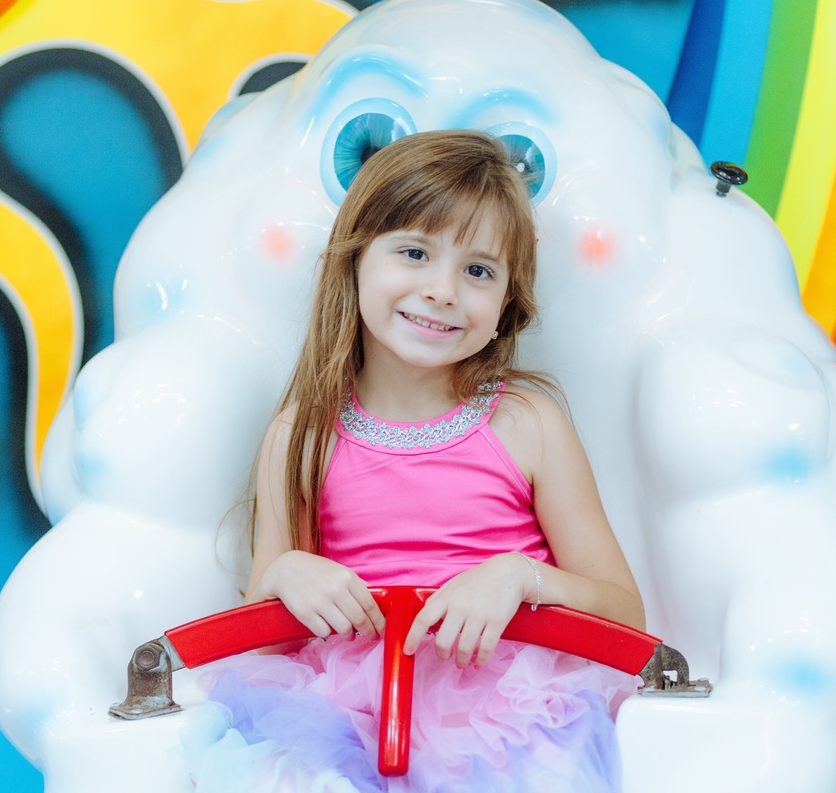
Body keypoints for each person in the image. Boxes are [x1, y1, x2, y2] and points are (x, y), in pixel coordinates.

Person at [180, 129, 645, 792]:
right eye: (415, 252)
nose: (443, 290)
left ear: (506, 303)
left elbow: (625, 618)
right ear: (355, 260)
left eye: (478, 270)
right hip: (342, 717)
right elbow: (261, 637)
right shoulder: (300, 435)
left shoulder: (528, 424)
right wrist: (286, 572)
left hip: (511, 722)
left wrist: (521, 579)